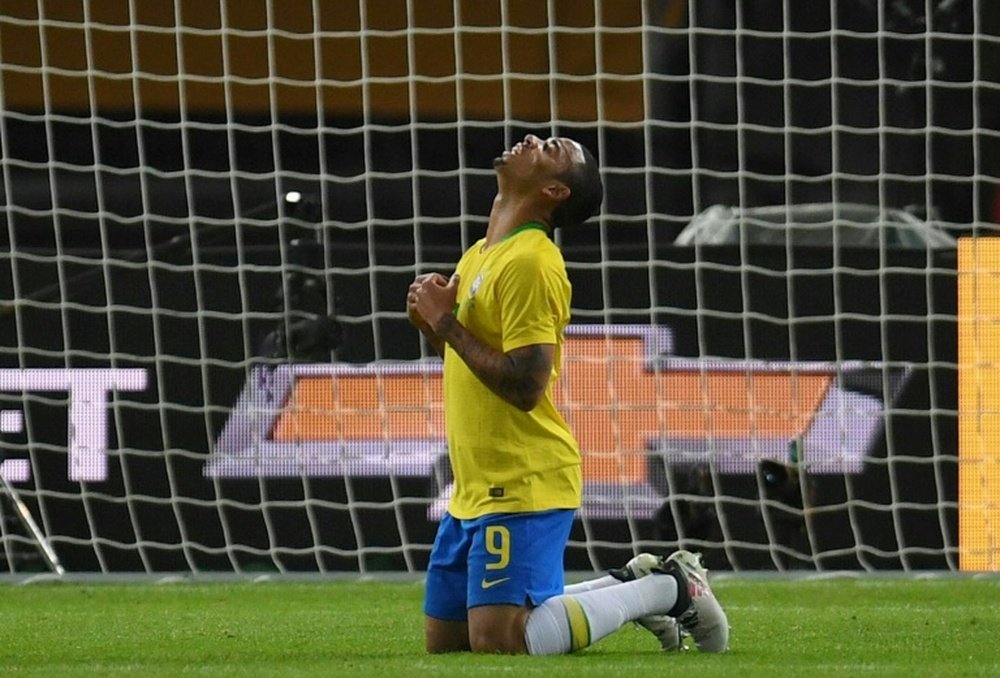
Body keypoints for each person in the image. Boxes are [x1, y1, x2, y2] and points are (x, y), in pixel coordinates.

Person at [407, 133, 729, 655]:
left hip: (522, 478)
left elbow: (525, 385)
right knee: (451, 643)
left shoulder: (532, 262)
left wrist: (446, 324)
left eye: (551, 149)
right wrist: (432, 324)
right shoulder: (482, 254)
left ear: (554, 191)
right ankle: (629, 581)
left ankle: (668, 589)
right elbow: (473, 359)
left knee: (502, 640)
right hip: (474, 486)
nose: (532, 138)